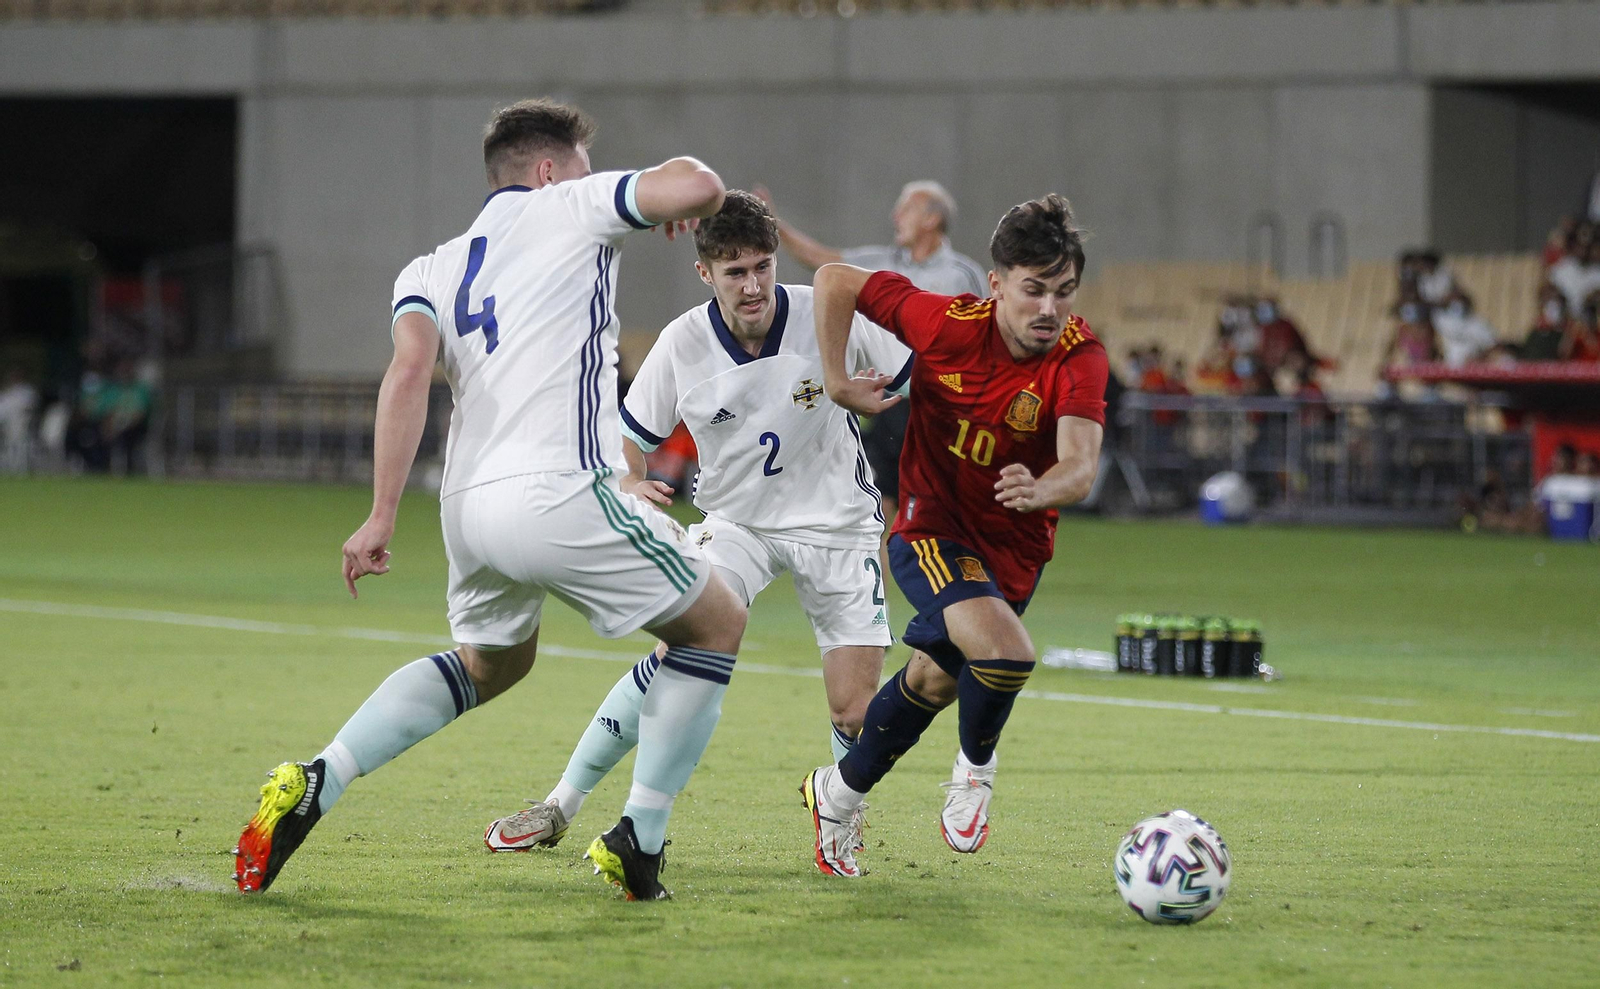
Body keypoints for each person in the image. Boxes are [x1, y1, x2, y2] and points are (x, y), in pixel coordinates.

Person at [233, 98, 745, 903]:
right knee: (717, 621)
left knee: (492, 662)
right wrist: (689, 206)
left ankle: (320, 777)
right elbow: (701, 183)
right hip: (560, 488)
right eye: (579, 163)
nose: (587, 176)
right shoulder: (571, 205)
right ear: (548, 172)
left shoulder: (431, 266)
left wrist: (379, 513)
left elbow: (407, 375)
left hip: (467, 505)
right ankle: (640, 839)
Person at [481, 191, 912, 855]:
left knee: (854, 710)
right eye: (734, 270)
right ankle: (560, 803)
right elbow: (627, 439)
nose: (752, 284)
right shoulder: (684, 342)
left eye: (762, 266)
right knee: (676, 652)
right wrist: (628, 477)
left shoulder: (824, 313)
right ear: (704, 272)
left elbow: (919, 371)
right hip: (736, 523)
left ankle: (838, 811)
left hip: (837, 522)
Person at [801, 194, 1108, 877]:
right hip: (929, 528)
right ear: (995, 285)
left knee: (934, 682)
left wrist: (1043, 487)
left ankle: (838, 792)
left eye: (1063, 291)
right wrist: (835, 377)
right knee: (1006, 654)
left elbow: (1081, 466)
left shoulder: (1079, 356)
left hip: (1015, 552)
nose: (1048, 309)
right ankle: (975, 771)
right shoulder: (945, 322)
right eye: (1033, 290)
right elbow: (835, 281)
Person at [755, 180, 988, 298]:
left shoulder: (963, 274)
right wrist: (774, 223)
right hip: (887, 387)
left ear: (931, 219)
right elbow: (818, 258)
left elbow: (989, 333)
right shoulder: (880, 262)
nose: (895, 217)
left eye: (907, 209)